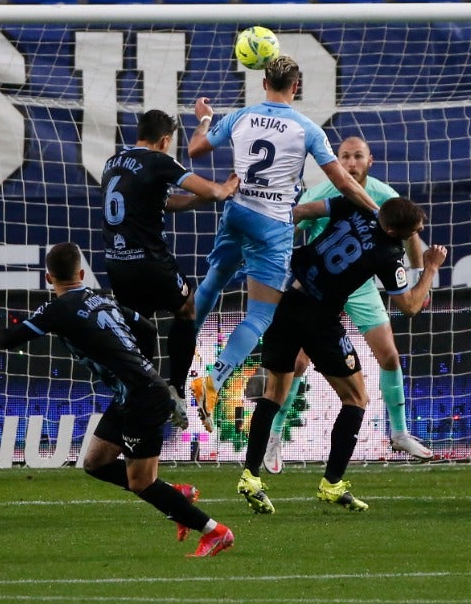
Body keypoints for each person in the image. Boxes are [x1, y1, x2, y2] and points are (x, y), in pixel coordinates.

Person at [0, 243, 234, 558]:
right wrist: (144, 370)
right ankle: (171, 497)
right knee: (96, 463)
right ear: (82, 273)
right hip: (134, 392)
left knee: (141, 483)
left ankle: (215, 531)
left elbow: (4, 339)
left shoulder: (57, 309)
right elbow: (149, 329)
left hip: (141, 396)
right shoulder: (102, 298)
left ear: (48, 277)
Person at [186, 55, 379, 432]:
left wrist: (204, 117)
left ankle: (181, 357)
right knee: (260, 315)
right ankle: (213, 382)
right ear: (296, 86)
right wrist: (376, 210)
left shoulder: (240, 116)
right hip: (272, 225)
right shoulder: (306, 128)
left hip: (237, 211)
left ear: (263, 83)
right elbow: (342, 183)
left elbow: (195, 150)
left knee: (213, 281)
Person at [235, 197, 446, 515]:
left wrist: (273, 240)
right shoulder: (389, 254)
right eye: (413, 232)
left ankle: (250, 477)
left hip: (285, 298)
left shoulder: (355, 207)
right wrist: (430, 269)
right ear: (392, 230)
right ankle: (332, 484)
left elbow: (302, 211)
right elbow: (411, 306)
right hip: (319, 319)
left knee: (274, 393)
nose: (416, 234)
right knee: (356, 398)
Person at [257, 135, 434, 473]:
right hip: (319, 287)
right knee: (296, 363)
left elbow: (412, 239)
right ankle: (275, 437)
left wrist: (417, 270)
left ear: (371, 161)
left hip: (360, 286)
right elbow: (297, 222)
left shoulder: (386, 197)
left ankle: (399, 432)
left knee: (390, 355)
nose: (351, 163)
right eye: (345, 157)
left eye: (357, 157)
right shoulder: (324, 192)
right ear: (336, 161)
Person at [100, 109, 238, 428]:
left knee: (142, 329)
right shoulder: (159, 160)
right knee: (187, 308)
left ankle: (141, 397)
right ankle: (175, 389)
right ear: (165, 140)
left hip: (117, 264)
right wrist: (226, 188)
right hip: (150, 260)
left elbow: (157, 201)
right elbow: (213, 191)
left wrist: (191, 202)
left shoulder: (113, 162)